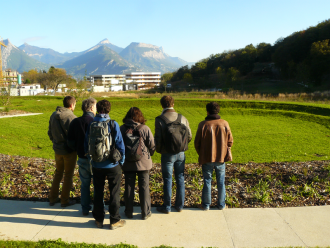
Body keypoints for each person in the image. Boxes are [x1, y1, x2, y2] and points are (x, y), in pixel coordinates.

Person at [84, 99, 126, 230]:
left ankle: (98, 220)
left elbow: (86, 145)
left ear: (97, 109)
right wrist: (121, 161)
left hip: (97, 165)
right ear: (109, 110)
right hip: (112, 165)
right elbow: (120, 145)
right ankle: (114, 220)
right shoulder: (113, 124)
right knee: (114, 192)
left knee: (98, 192)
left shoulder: (91, 124)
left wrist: (92, 160)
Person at [154, 95, 192, 214]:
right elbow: (189, 136)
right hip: (181, 153)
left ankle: (167, 207)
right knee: (180, 178)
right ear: (173, 104)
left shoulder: (160, 119)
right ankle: (180, 206)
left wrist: (160, 150)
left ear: (162, 105)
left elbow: (158, 139)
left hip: (167, 154)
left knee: (167, 179)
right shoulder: (182, 118)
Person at [194, 101, 233, 210]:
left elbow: (197, 143)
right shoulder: (224, 123)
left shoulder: (203, 124)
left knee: (207, 181)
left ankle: (206, 205)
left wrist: (202, 153)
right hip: (221, 158)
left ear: (207, 111)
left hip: (206, 158)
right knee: (221, 182)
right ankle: (221, 205)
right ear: (218, 110)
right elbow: (230, 141)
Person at [120, 107, 155, 220]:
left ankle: (128, 211)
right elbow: (152, 145)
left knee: (129, 187)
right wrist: (149, 155)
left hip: (128, 162)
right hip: (143, 162)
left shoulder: (122, 128)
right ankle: (145, 212)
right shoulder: (145, 128)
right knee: (144, 187)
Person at [67, 98, 97, 215]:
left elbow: (70, 142)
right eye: (95, 107)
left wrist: (78, 149)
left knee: (85, 184)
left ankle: (85, 208)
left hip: (82, 157)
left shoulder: (75, 122)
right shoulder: (95, 121)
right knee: (97, 184)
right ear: (91, 108)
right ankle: (98, 207)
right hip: (95, 158)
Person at [48, 95, 77, 207]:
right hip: (69, 151)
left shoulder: (53, 115)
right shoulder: (71, 117)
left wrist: (55, 142)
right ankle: (64, 200)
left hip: (57, 150)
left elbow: (50, 132)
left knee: (58, 173)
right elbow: (74, 136)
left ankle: (52, 198)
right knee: (68, 175)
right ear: (71, 105)